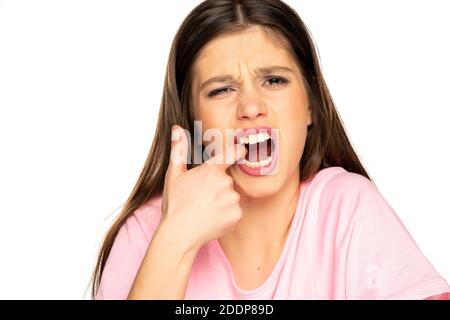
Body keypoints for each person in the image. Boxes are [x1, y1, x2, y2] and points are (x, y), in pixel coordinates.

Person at [91, 0, 450, 300]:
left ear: (310, 106)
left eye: (274, 80)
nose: (250, 106)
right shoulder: (145, 233)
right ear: (191, 121)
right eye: (221, 90)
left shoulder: (346, 208)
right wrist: (175, 240)